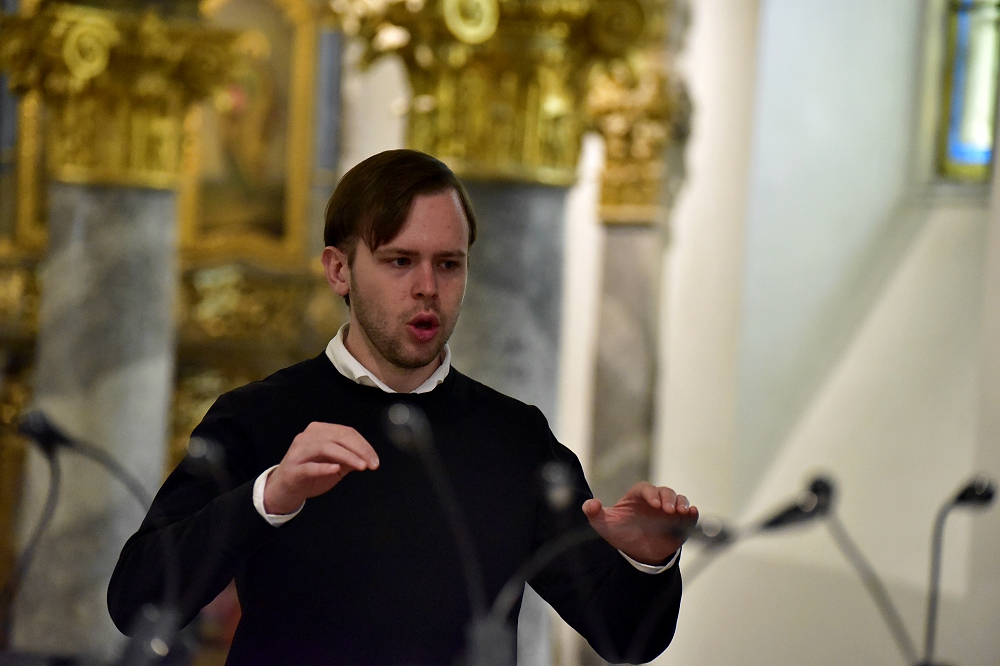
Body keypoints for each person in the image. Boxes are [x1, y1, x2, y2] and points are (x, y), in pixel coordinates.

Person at [108, 149, 698, 666]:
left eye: (448, 263)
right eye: (399, 261)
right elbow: (135, 600)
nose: (427, 287)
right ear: (339, 270)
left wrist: (647, 564)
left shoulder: (514, 437)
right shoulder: (257, 417)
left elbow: (626, 639)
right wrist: (270, 497)